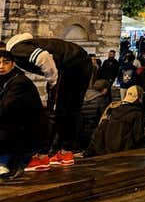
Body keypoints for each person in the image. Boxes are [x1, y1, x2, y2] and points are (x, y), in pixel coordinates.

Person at [4, 33, 92, 168]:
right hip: (81, 63)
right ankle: (66, 152)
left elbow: (43, 57)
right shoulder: (35, 44)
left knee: (53, 112)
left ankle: (42, 156)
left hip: (69, 67)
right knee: (70, 110)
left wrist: (52, 81)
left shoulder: (16, 49)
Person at [0, 50, 50, 178]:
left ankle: (4, 163)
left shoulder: (19, 82)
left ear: (13, 64)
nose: (1, 66)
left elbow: (6, 108)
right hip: (13, 127)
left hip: (26, 131)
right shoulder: (7, 79)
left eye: (5, 62)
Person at [86, 86, 145, 156]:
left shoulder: (113, 109)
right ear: (140, 97)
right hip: (124, 149)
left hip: (108, 148)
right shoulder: (137, 114)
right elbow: (138, 138)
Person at [76, 79, 111, 151]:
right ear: (105, 89)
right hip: (93, 134)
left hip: (79, 133)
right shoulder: (102, 100)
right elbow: (104, 117)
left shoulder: (83, 96)